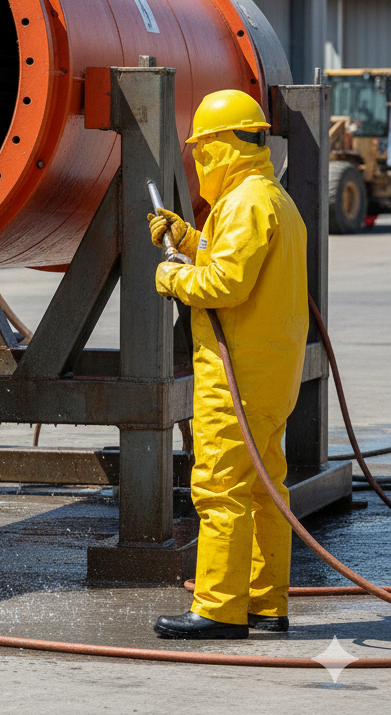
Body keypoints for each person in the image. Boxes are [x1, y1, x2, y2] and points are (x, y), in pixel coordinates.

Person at [147, 89, 308, 640]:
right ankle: (266, 603)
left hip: (235, 374)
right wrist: (188, 239)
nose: (198, 164)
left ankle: (217, 610)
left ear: (218, 148)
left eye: (201, 152)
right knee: (264, 489)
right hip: (269, 372)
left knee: (220, 488)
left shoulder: (243, 204)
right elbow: (238, 265)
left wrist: (172, 276)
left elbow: (225, 284)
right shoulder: (270, 199)